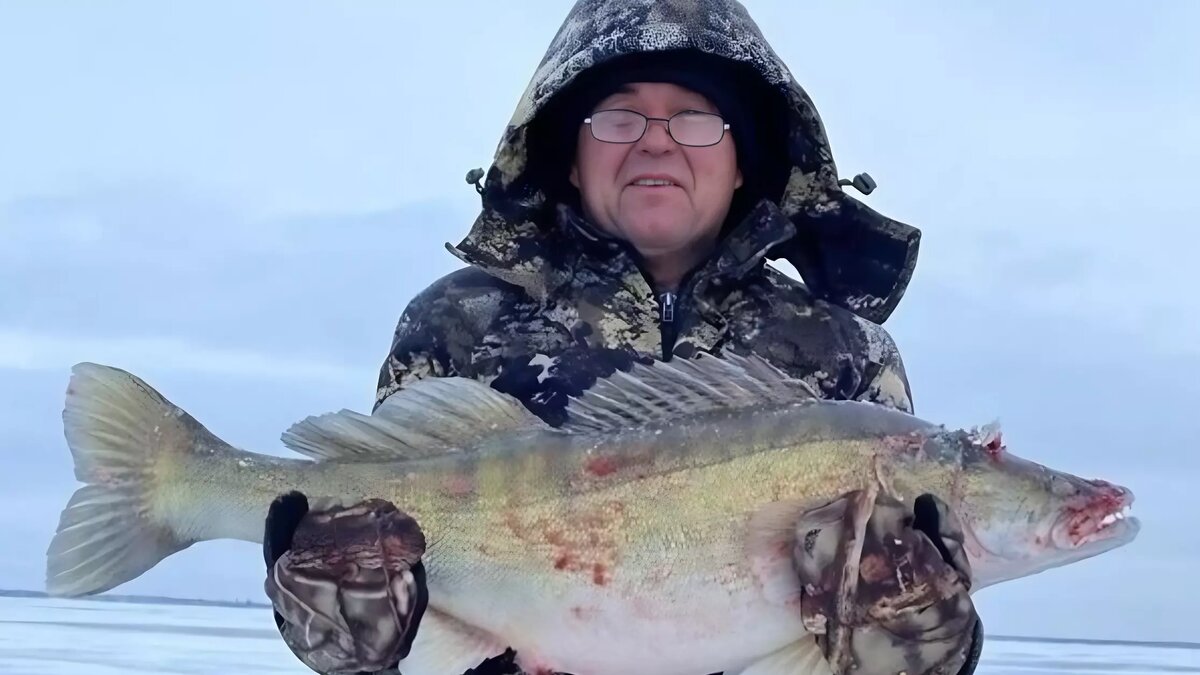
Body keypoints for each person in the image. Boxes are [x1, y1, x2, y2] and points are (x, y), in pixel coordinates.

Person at [263, 1, 984, 674]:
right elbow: (388, 631)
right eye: (618, 118)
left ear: (742, 166)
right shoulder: (455, 324)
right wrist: (346, 624)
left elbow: (888, 652)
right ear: (570, 157)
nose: (657, 143)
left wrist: (928, 636)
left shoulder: (850, 354)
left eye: (696, 118)